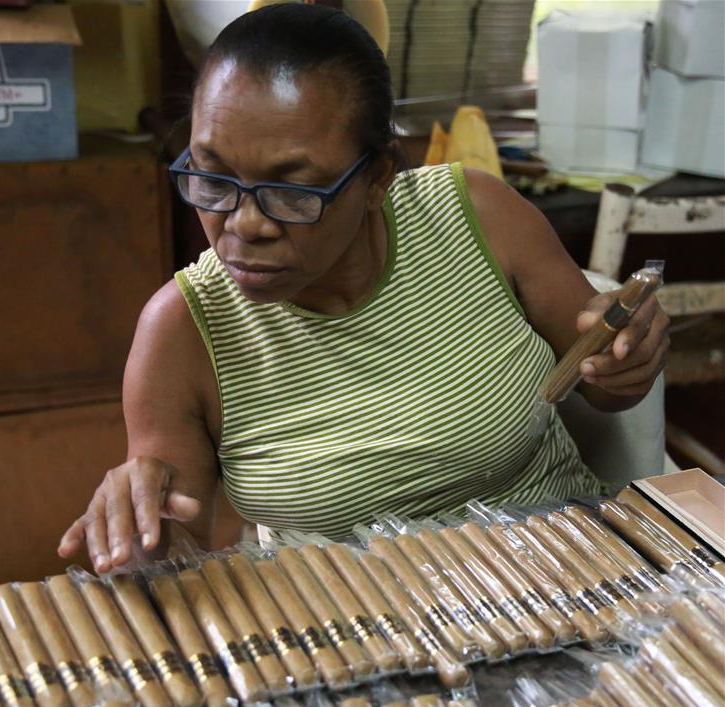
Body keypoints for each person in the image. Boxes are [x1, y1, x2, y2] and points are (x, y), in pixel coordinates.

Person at [58, 4, 669, 575]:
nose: (243, 225)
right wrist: (135, 529)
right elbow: (175, 555)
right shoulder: (184, 331)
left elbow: (604, 385)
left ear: (377, 177)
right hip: (357, 630)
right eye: (212, 179)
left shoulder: (477, 216)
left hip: (561, 569)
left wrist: (629, 360)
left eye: (293, 190)